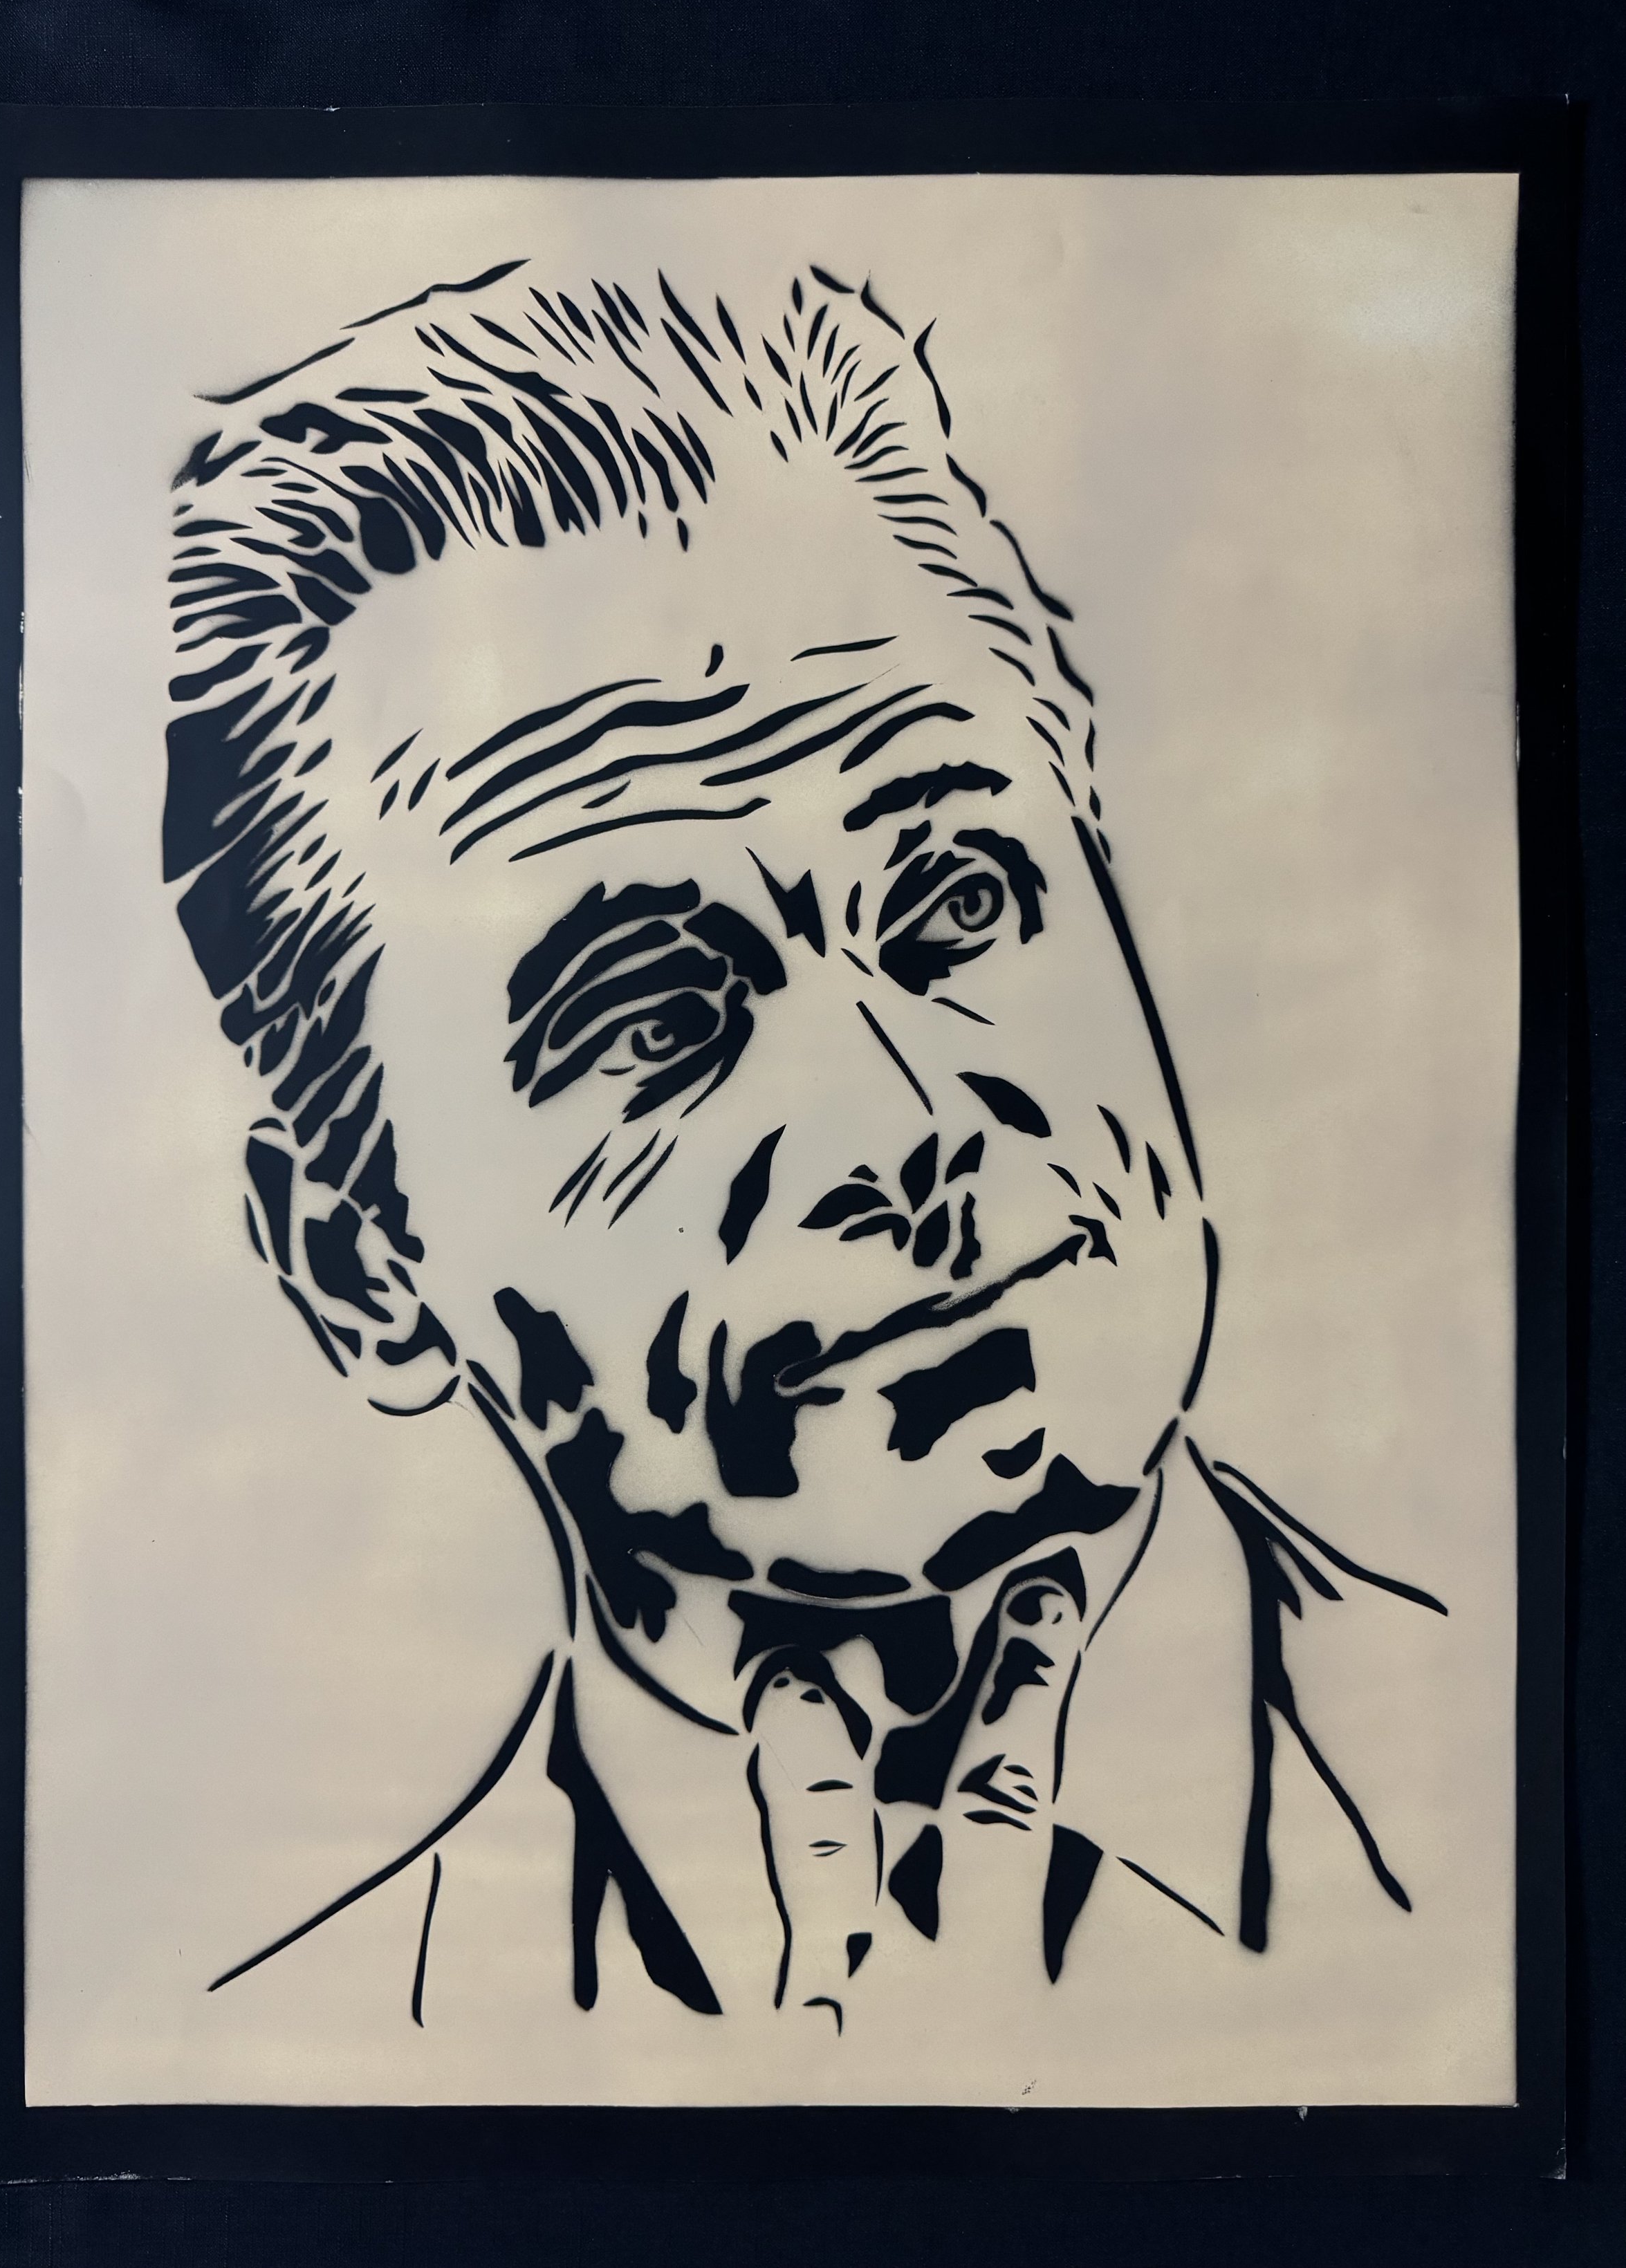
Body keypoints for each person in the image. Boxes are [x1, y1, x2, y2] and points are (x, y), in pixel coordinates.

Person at [163, 252, 1441, 2034]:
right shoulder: (288, 2069)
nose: (912, 1129)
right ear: (364, 1268)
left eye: (959, 898)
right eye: (658, 1026)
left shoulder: (1527, 1807)